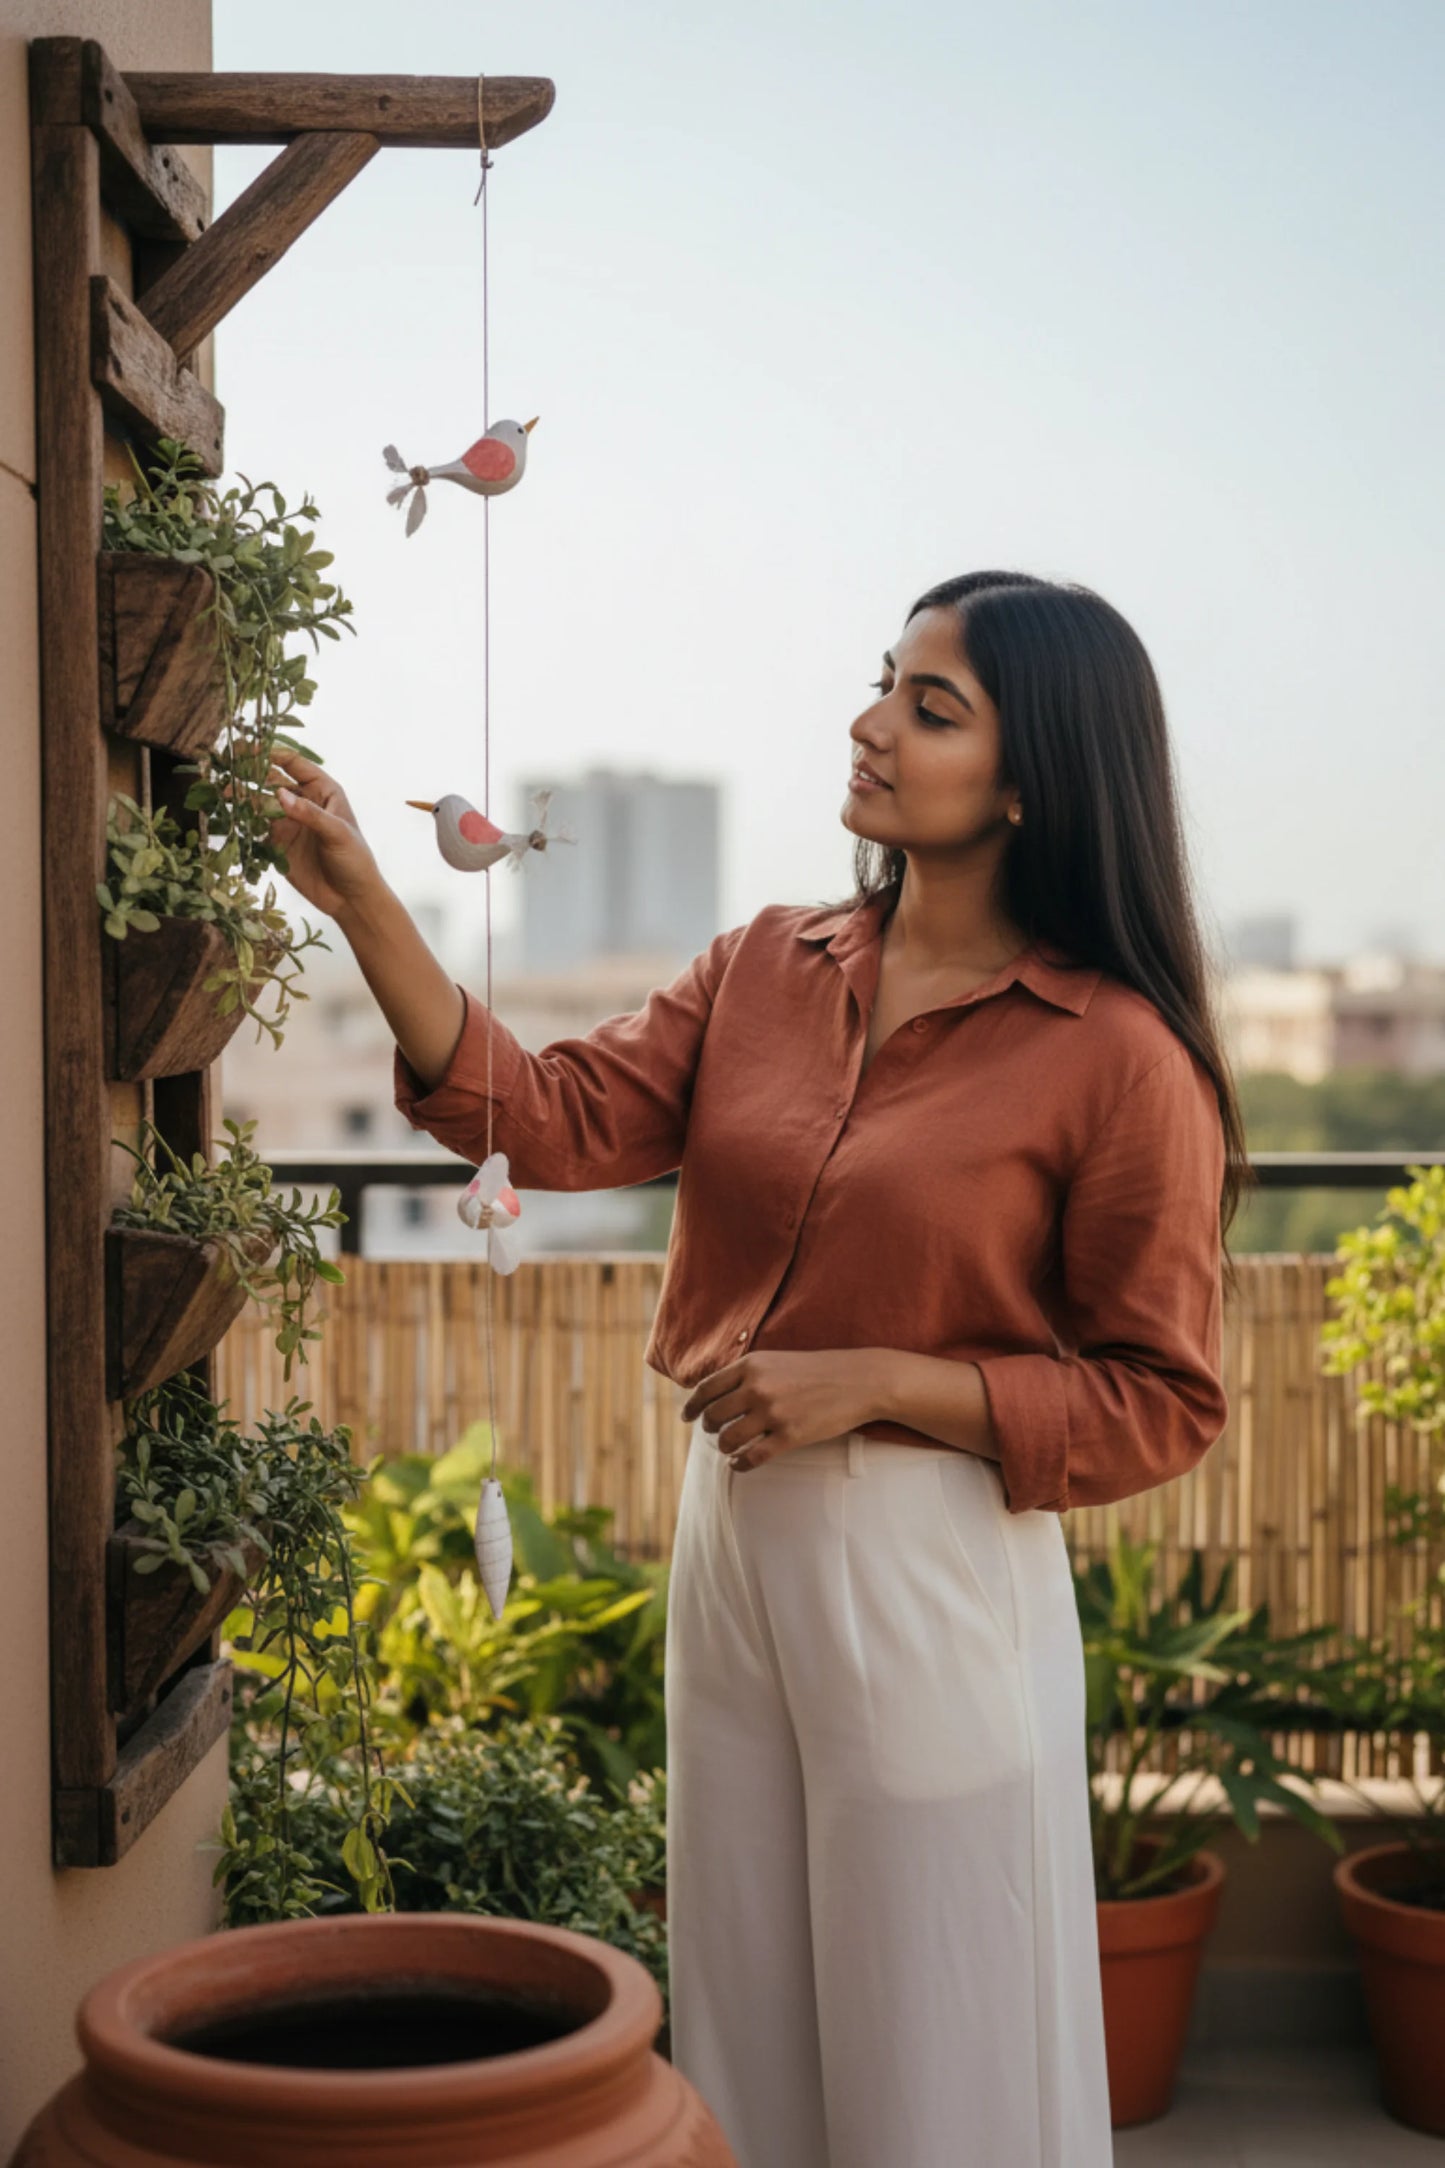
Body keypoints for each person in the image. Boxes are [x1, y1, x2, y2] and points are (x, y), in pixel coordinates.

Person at [269, 568, 1241, 2168]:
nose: (870, 724)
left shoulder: (1117, 1055)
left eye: (931, 708)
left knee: (938, 2025)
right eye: (883, 682)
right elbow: (548, 1120)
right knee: (745, 1995)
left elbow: (1163, 1399)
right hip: (732, 1525)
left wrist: (880, 1380)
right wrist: (363, 897)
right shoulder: (764, 965)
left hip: (932, 1557)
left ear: (1029, 781)